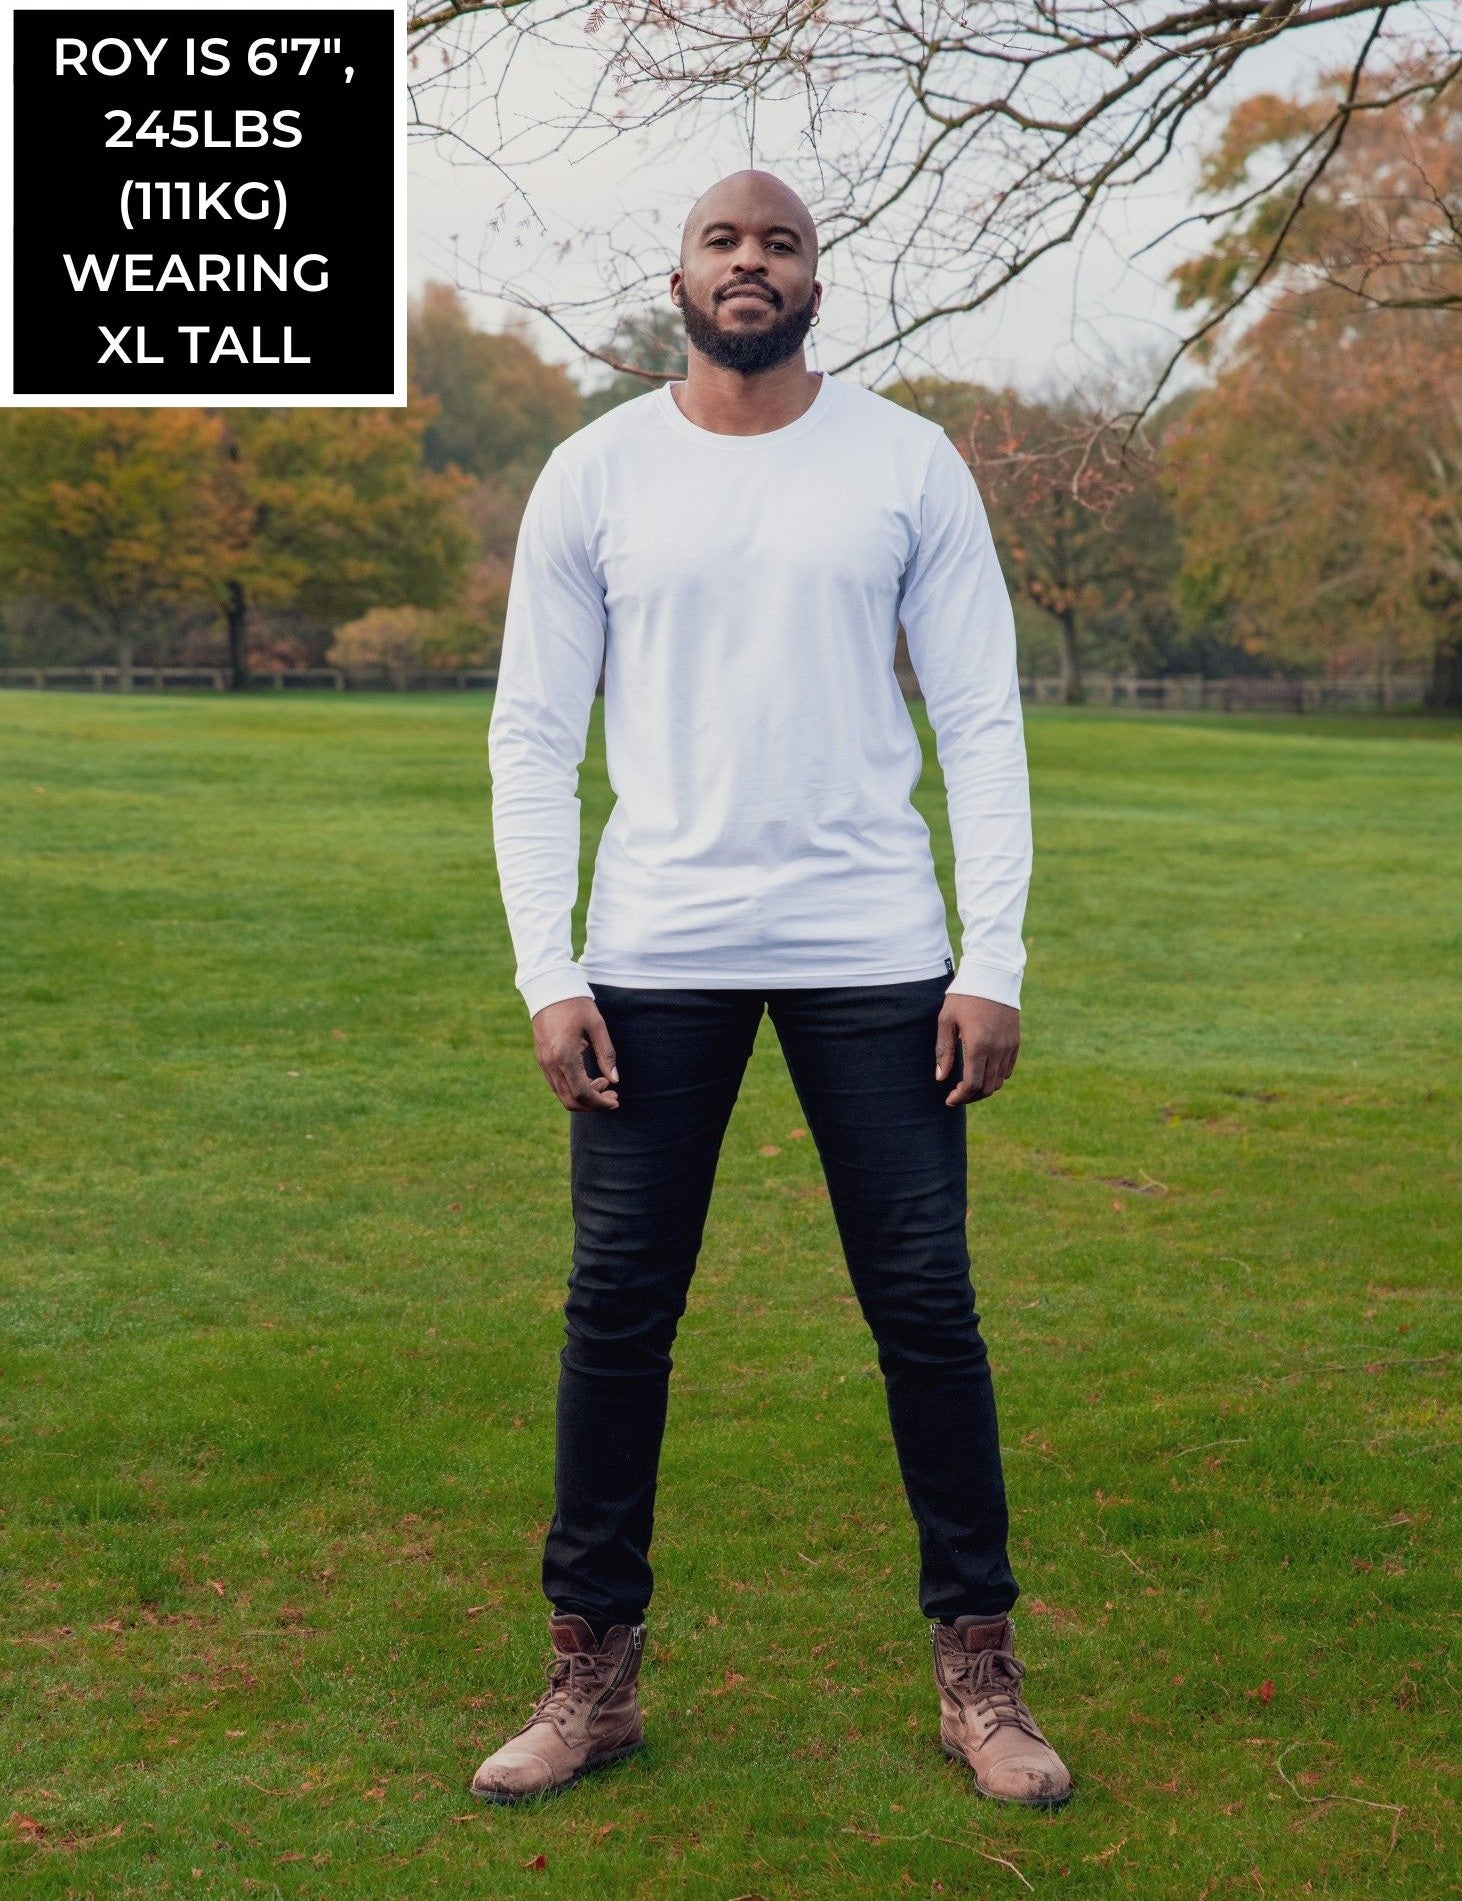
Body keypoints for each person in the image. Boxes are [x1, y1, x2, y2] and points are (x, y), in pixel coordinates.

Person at [473, 169, 1072, 1811]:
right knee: (616, 1318)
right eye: (725, 242)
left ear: (818, 276)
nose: (753, 262)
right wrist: (550, 965)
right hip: (651, 951)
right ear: (675, 274)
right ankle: (589, 1678)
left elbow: (983, 723)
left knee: (926, 1313)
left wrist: (991, 956)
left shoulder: (905, 461)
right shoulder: (595, 470)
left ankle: (981, 1673)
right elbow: (533, 737)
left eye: (782, 242)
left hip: (876, 947)